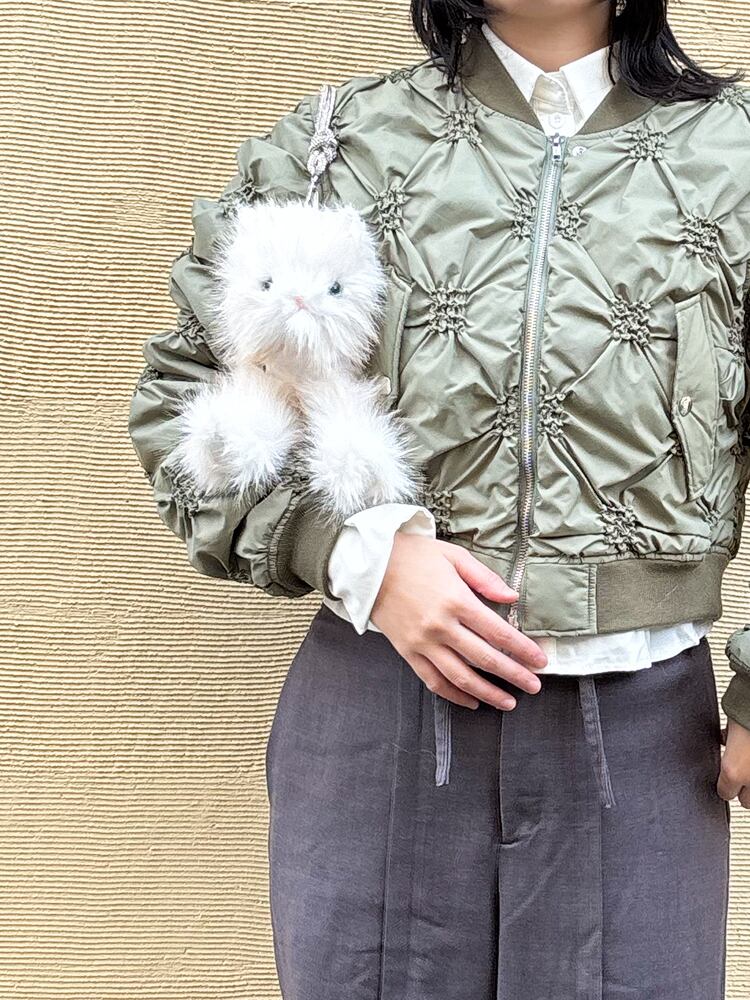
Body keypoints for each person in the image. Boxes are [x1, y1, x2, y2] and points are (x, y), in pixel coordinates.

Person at [129, 1, 750, 996]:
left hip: (643, 743)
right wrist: (361, 557)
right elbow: (186, 404)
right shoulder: (338, 146)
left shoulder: (734, 155)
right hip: (379, 717)